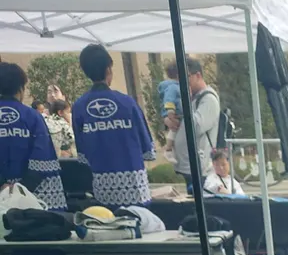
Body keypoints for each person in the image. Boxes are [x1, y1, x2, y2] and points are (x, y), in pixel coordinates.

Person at [72, 44, 155, 207]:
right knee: (139, 220)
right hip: (134, 184)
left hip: (102, 185)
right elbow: (147, 148)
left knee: (108, 220)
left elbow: (82, 153)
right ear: (108, 69)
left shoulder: (79, 106)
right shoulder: (127, 102)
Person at [0, 62, 66, 209]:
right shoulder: (32, 116)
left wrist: (3, 186)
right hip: (35, 198)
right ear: (20, 89)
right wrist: (21, 189)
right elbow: (42, 155)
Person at [173, 57, 220, 194]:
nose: (181, 83)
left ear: (198, 75)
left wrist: (184, 102)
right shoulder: (193, 98)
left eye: (185, 77)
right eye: (178, 79)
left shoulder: (208, 99)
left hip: (199, 167)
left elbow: (196, 126)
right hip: (187, 165)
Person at [157, 61, 182, 159]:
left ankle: (170, 149)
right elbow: (169, 99)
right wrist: (170, 111)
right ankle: (168, 149)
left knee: (174, 130)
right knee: (174, 130)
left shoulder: (176, 86)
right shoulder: (173, 87)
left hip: (176, 113)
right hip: (174, 114)